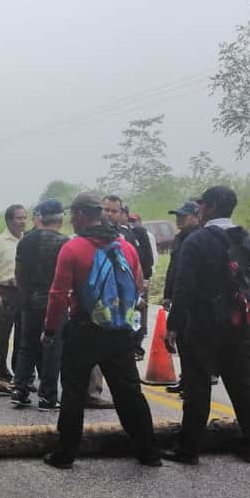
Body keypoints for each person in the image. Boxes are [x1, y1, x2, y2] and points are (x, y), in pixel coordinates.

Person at [42, 193, 162, 469]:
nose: (71, 219)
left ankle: (66, 454)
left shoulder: (73, 249)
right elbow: (139, 286)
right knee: (129, 393)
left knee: (73, 393)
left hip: (84, 329)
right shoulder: (125, 247)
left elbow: (57, 294)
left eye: (73, 214)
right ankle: (149, 452)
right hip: (119, 331)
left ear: (83, 215)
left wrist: (50, 330)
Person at [163, 186, 250, 465]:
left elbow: (184, 286)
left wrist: (173, 325)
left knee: (197, 385)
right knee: (242, 384)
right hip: (239, 325)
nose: (199, 209)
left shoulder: (196, 241)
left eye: (202, 204)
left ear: (209, 207)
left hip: (202, 323)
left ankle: (188, 448)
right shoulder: (248, 242)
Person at [11, 200, 68, 409]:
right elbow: (64, 278)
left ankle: (20, 388)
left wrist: (23, 295)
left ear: (40, 217)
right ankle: (48, 395)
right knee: (52, 349)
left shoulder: (25, 241)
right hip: (53, 302)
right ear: (60, 219)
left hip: (28, 300)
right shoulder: (64, 242)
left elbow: (18, 272)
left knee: (27, 346)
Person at [102, 196, 154, 358]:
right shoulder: (90, 235)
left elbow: (136, 264)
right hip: (99, 300)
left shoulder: (127, 235)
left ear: (121, 213)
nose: (110, 214)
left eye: (114, 211)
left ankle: (135, 347)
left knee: (123, 347)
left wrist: (138, 291)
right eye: (106, 210)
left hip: (124, 299)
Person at [161, 201, 202, 393]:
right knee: (183, 343)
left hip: (194, 299)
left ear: (196, 217)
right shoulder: (180, 238)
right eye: (177, 216)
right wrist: (167, 294)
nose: (179, 220)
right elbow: (173, 269)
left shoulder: (199, 238)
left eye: (183, 216)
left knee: (193, 343)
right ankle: (186, 379)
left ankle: (194, 382)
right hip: (179, 294)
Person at [0, 204, 27, 382]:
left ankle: (19, 374)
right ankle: (0, 373)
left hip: (23, 293)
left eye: (25, 217)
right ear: (9, 220)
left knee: (22, 337)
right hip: (4, 293)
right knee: (2, 337)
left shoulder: (26, 240)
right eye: (19, 218)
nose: (23, 222)